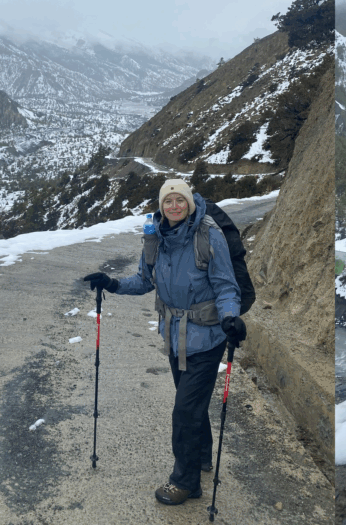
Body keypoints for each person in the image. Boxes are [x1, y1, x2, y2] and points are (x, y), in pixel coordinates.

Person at [82, 178, 247, 506]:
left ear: (189, 203)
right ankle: (200, 458)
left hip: (209, 334)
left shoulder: (207, 233)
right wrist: (112, 283)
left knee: (185, 410)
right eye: (167, 201)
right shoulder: (156, 237)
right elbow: (145, 280)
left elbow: (227, 286)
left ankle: (185, 482)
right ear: (161, 206)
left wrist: (230, 317)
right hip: (174, 335)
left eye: (179, 200)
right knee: (192, 405)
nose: (174, 206)